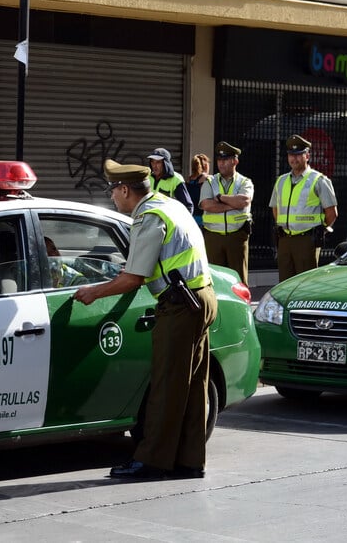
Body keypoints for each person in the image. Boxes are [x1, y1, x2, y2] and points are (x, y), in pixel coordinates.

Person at [74, 158, 215, 480]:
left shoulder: (148, 218)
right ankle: (189, 461)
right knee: (191, 388)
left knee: (166, 387)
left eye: (112, 191)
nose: (111, 197)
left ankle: (152, 461)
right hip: (199, 298)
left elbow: (132, 279)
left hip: (180, 306)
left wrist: (93, 293)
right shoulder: (168, 204)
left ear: (125, 189)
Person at [270, 134, 338, 282]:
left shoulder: (319, 180)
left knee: (305, 284)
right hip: (285, 239)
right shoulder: (281, 181)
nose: (294, 159)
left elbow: (332, 213)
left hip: (307, 240)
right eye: (291, 155)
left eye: (299, 155)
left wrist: (319, 231)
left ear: (307, 156)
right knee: (285, 284)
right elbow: (275, 209)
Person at [199, 142, 254, 285]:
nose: (221, 163)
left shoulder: (244, 182)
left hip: (236, 236)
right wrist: (232, 204)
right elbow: (206, 205)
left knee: (238, 279)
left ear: (235, 161)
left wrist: (219, 198)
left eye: (225, 160)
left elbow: (243, 201)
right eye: (219, 160)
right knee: (214, 279)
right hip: (213, 237)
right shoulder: (210, 182)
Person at [147, 148, 194, 214]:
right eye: (152, 162)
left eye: (158, 162)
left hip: (167, 222)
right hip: (149, 221)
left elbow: (187, 207)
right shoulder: (147, 178)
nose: (155, 166)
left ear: (165, 163)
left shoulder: (176, 180)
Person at [185, 154, 210, 226]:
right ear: (205, 165)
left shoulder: (188, 180)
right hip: (202, 218)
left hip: (190, 217)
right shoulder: (206, 178)